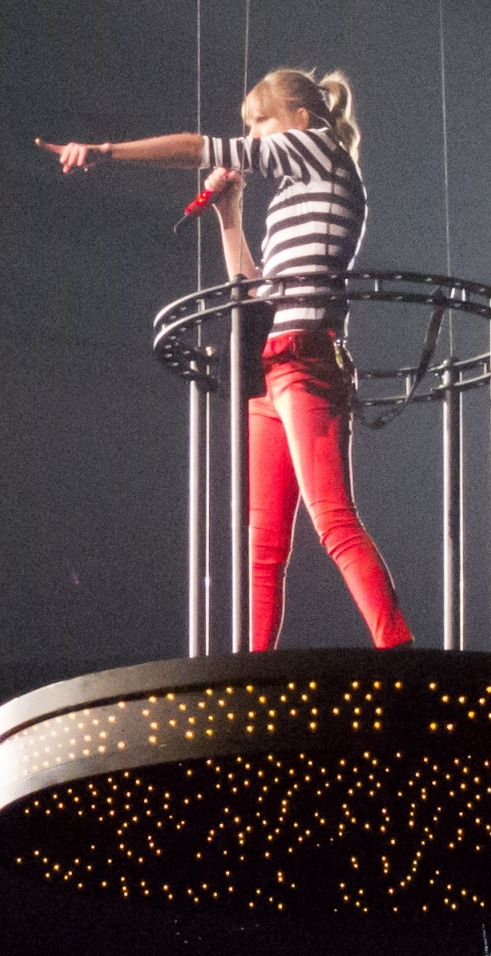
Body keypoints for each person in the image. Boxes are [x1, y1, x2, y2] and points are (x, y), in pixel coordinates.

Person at [45, 67, 413, 651]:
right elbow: (255, 291)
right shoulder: (295, 196)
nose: (252, 136)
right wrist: (231, 216)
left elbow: (197, 147)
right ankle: (254, 667)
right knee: (262, 543)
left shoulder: (322, 151)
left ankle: (399, 650)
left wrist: (106, 152)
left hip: (307, 357)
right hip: (273, 364)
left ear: (299, 121)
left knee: (332, 520)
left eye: (259, 123)